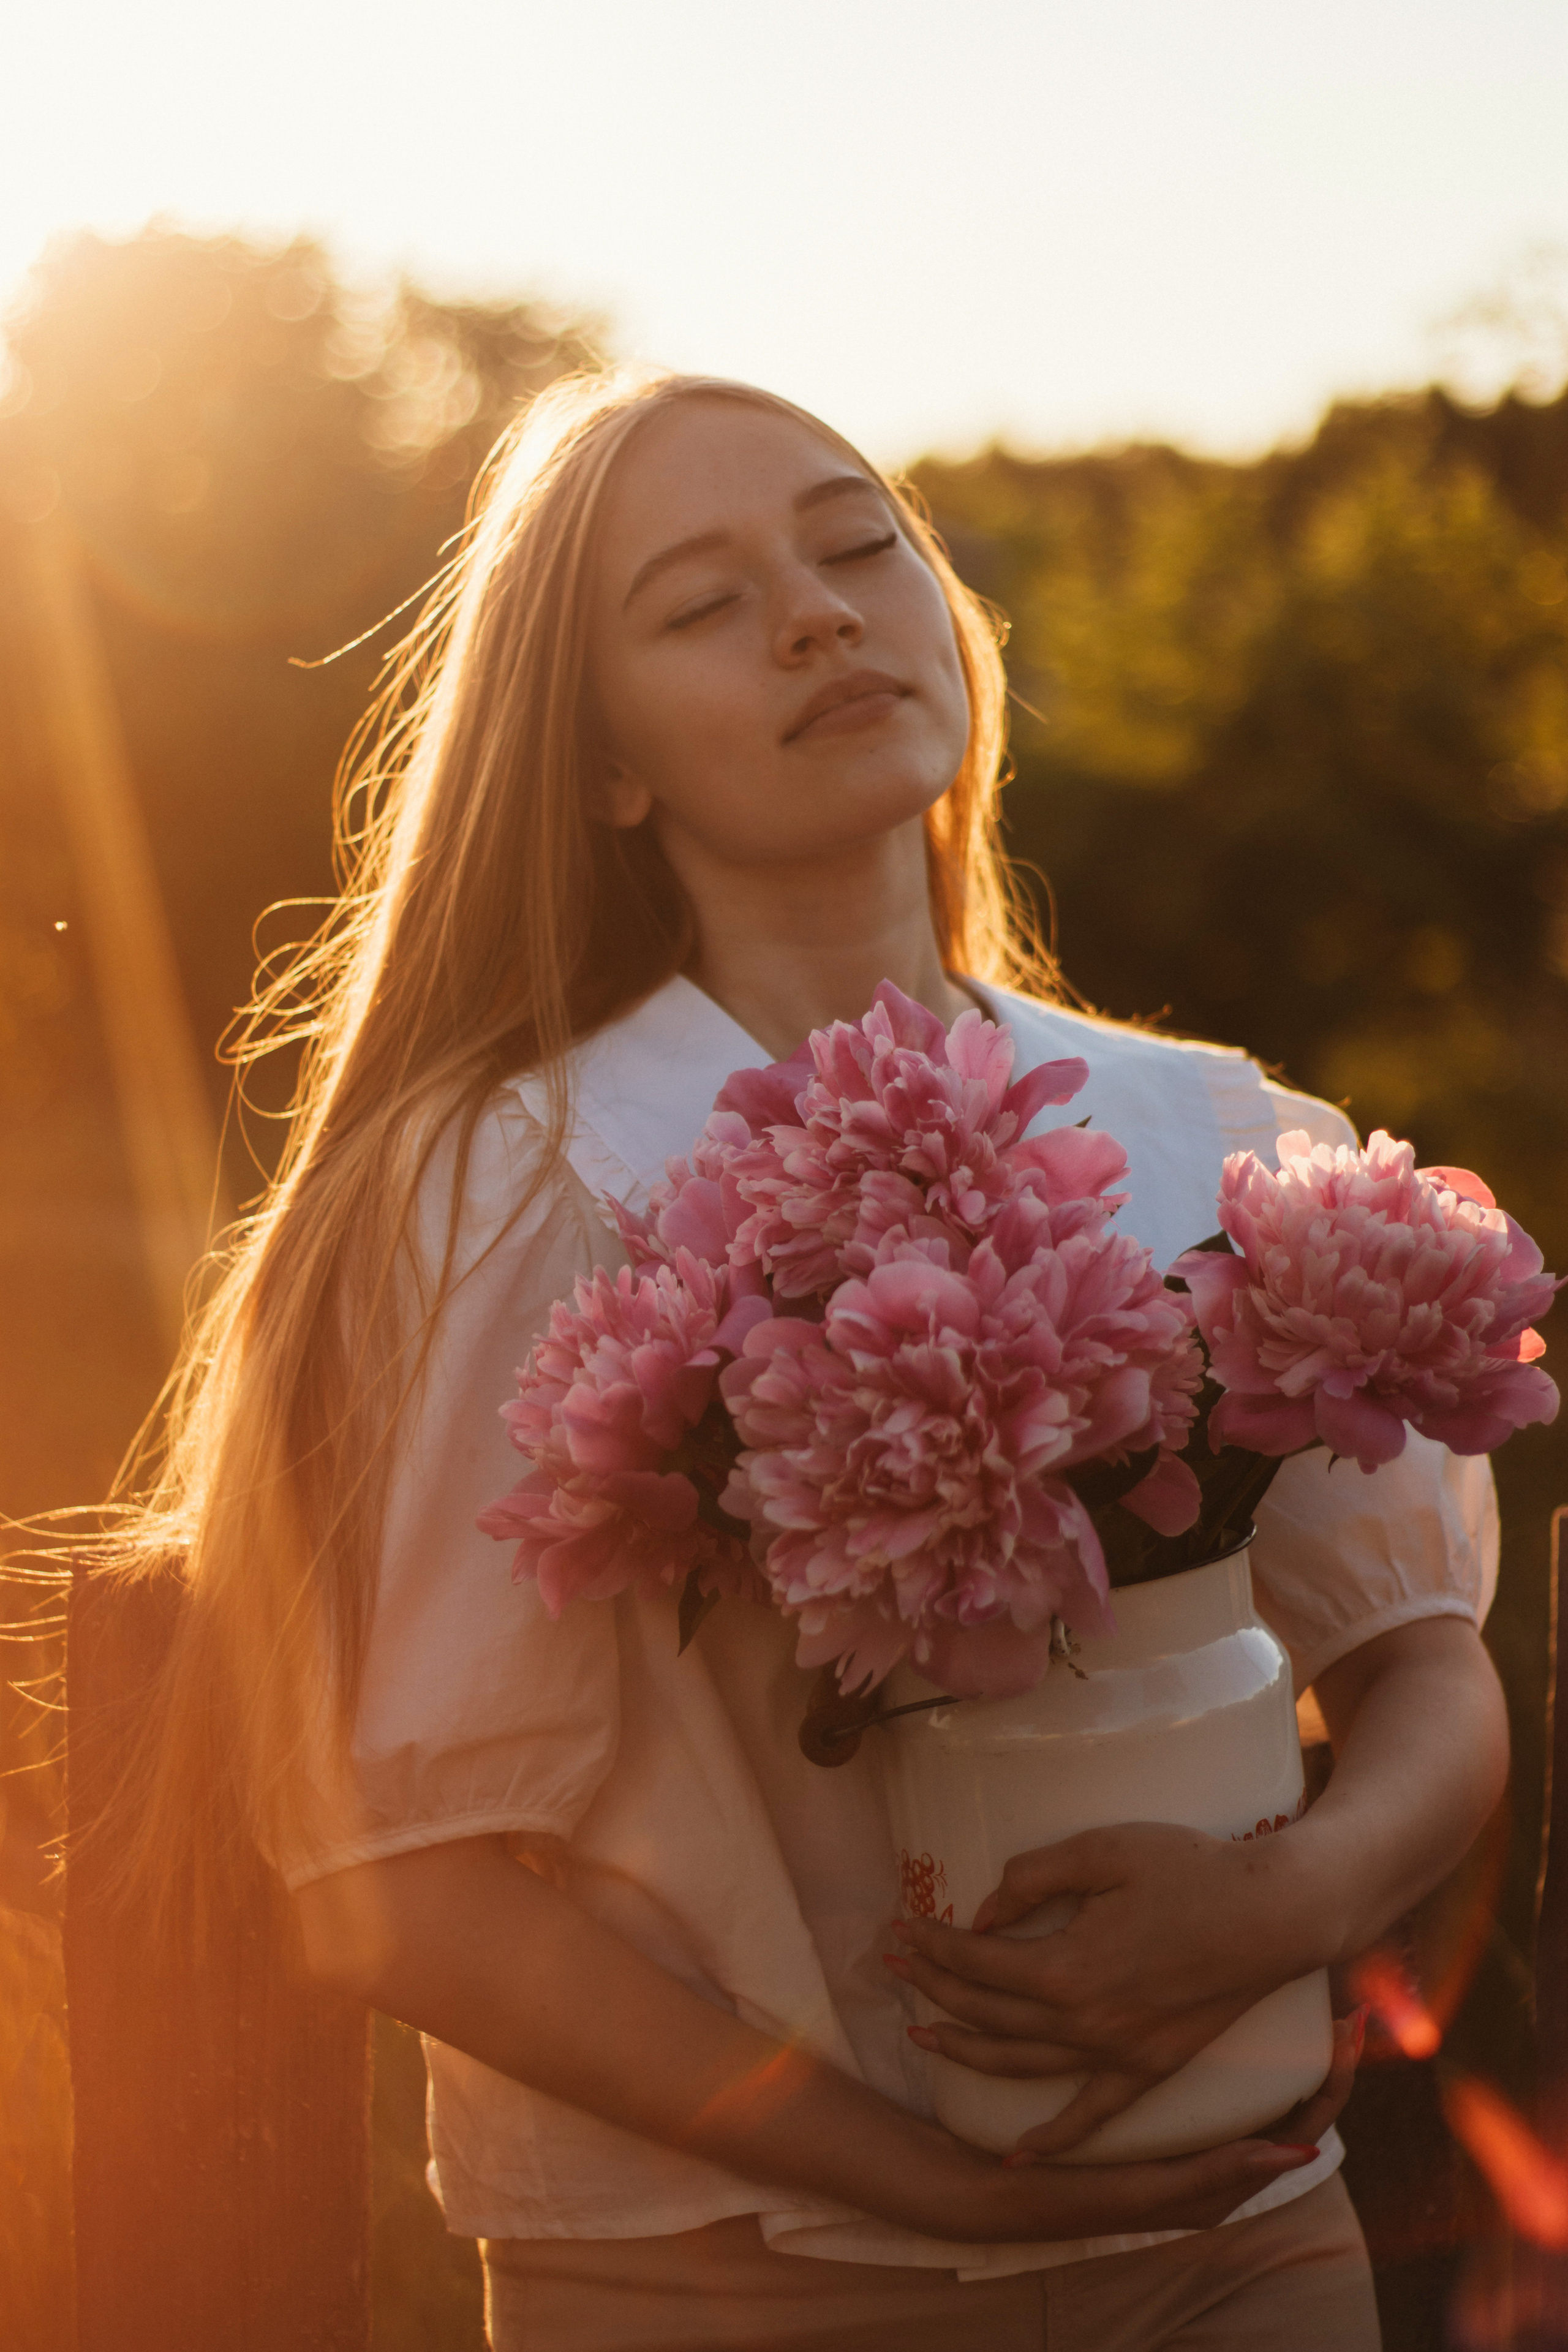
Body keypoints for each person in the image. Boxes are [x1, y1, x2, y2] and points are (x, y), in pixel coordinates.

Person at [121, 370, 1507, 2349]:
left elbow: (1421, 1664)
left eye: (863, 548)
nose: (818, 614)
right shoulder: (508, 1190)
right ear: (603, 766)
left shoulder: (1229, 1134)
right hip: (736, 2281)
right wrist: (917, 2173)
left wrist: (1296, 1902)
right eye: (701, 604)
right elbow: (399, 1878)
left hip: (1248, 2247)